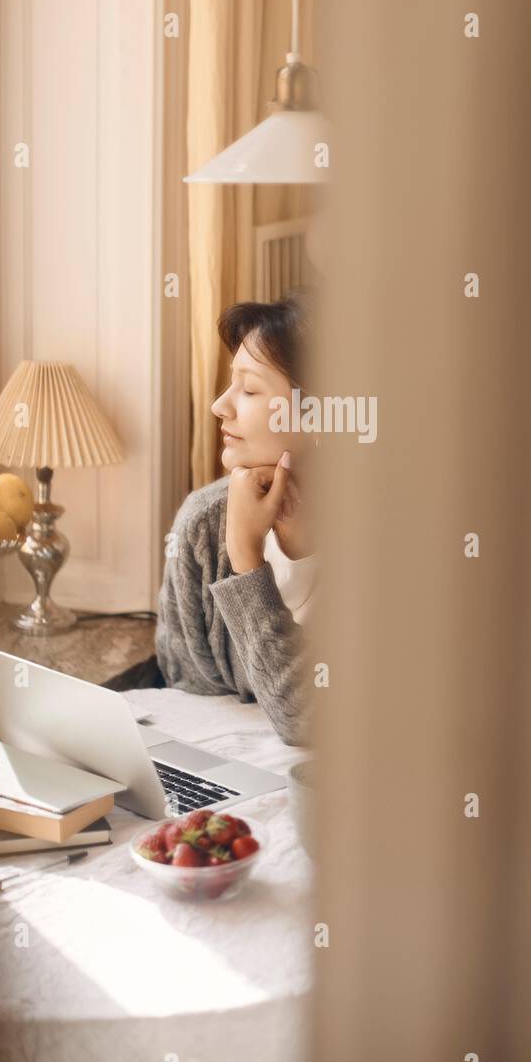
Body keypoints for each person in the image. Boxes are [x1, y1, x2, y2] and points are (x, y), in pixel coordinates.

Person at [155, 289, 317, 746]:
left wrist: (245, 556)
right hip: (232, 787)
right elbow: (185, 688)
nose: (219, 406)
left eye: (248, 389)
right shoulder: (204, 522)